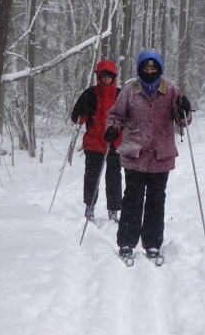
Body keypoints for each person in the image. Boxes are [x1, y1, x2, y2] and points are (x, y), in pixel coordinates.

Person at [104, 50, 192, 263]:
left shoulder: (171, 89)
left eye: (154, 68)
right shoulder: (129, 91)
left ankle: (152, 244)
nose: (149, 71)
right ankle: (126, 242)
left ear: (160, 69)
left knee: (156, 200)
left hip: (161, 156)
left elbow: (183, 122)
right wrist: (113, 127)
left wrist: (184, 111)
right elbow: (116, 115)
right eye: (146, 68)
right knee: (132, 199)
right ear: (140, 69)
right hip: (135, 154)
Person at [71, 60, 123, 222]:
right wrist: (80, 113)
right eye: (103, 76)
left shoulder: (120, 94)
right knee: (92, 176)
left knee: (114, 177)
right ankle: (90, 207)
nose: (106, 79)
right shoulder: (90, 93)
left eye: (110, 76)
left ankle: (113, 210)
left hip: (115, 143)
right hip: (93, 142)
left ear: (114, 77)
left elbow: (128, 117)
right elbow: (77, 118)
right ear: (98, 76)